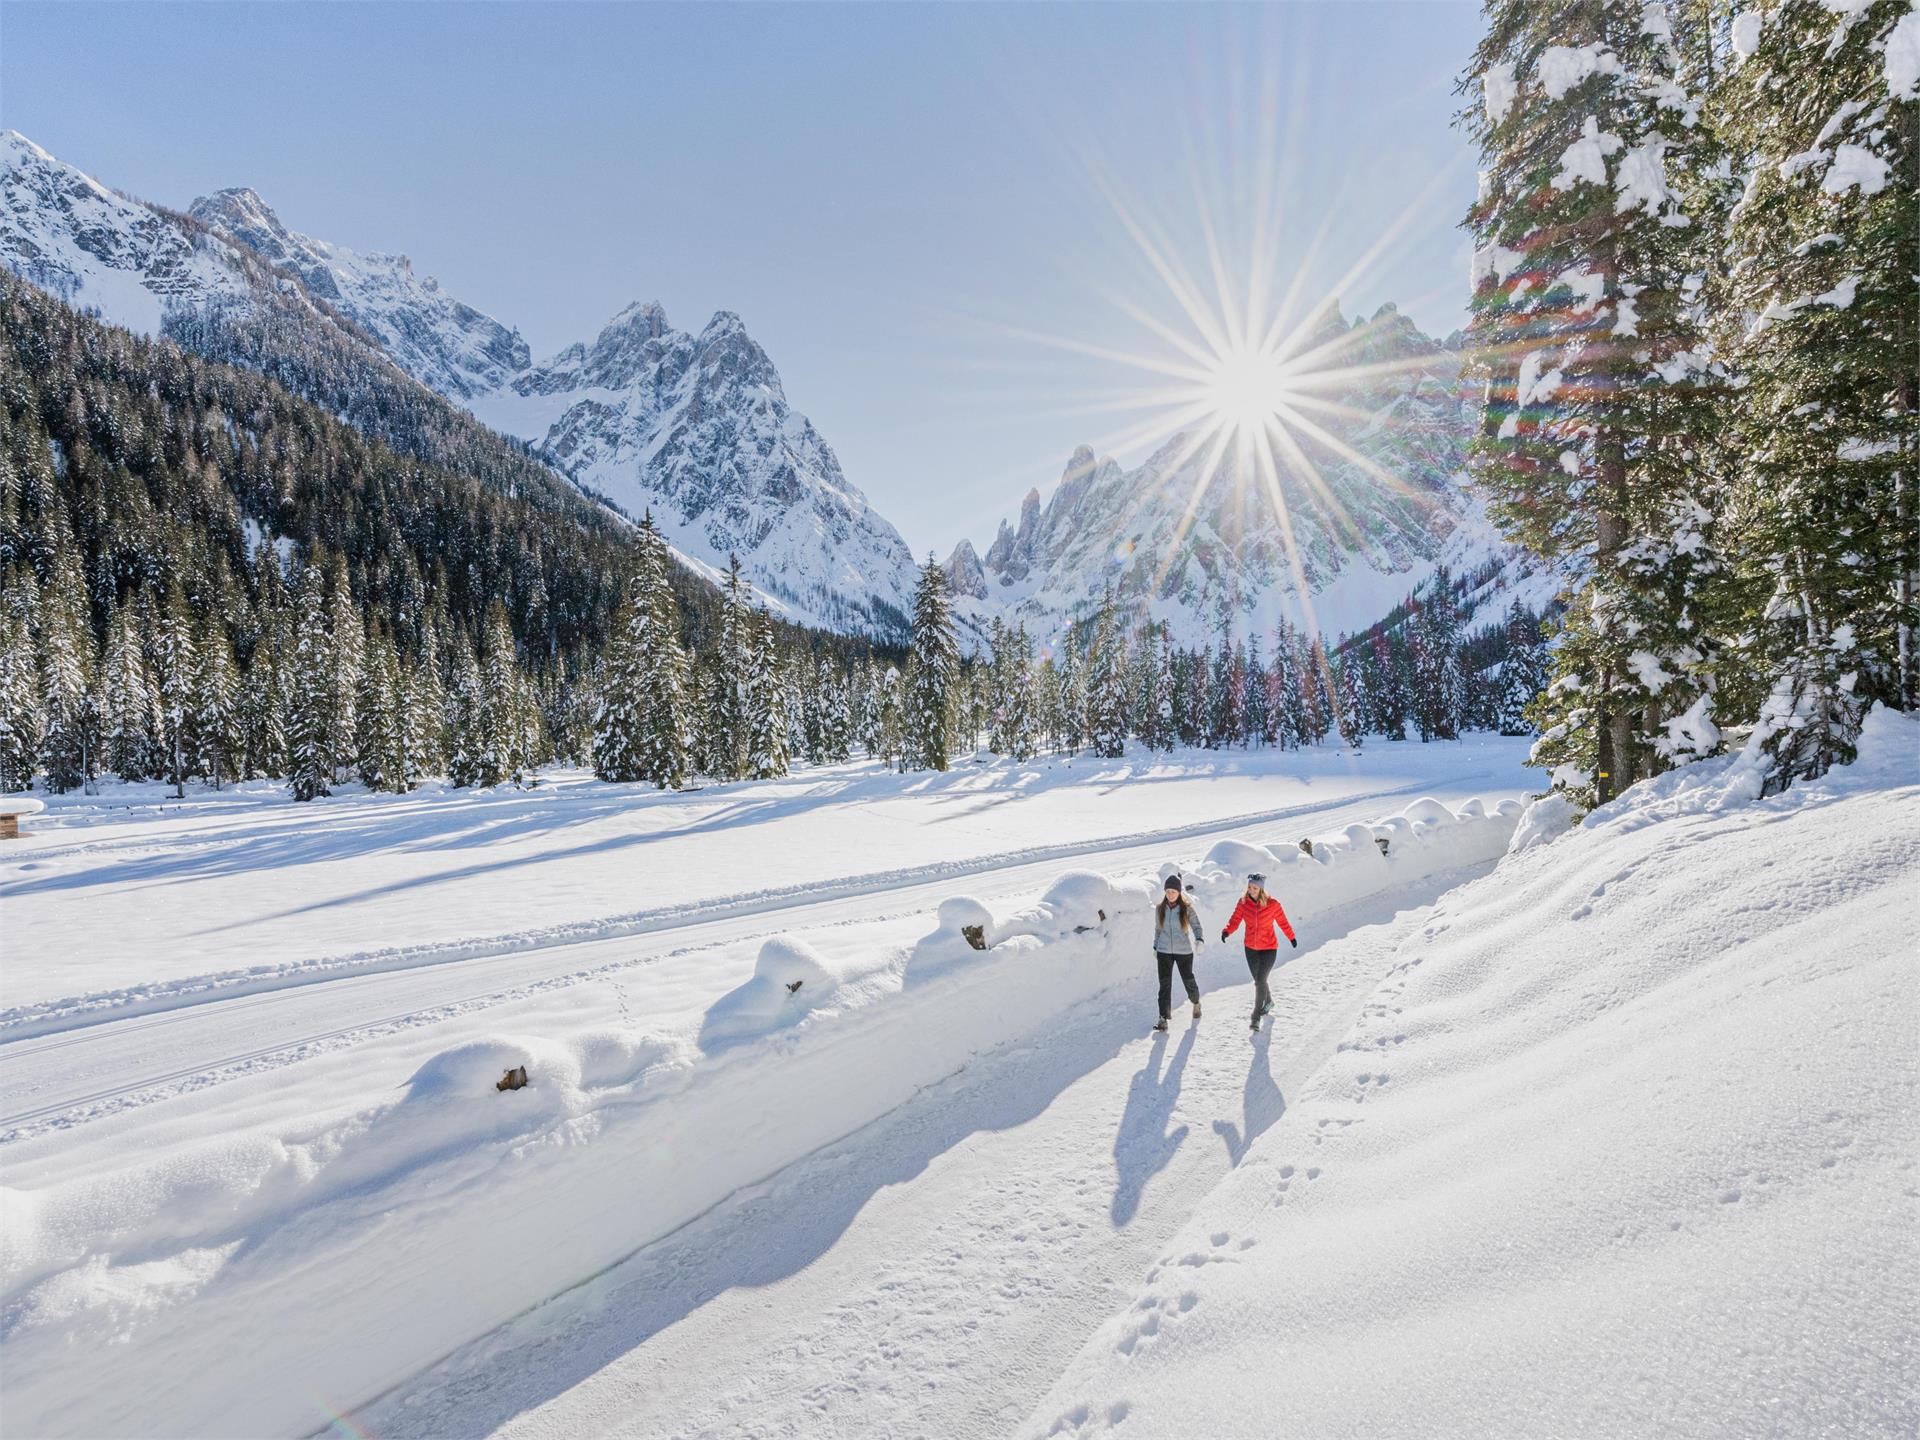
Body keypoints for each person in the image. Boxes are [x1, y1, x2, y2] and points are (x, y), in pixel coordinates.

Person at [1221, 872, 1297, 1032]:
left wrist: (1291, 937)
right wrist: (1227, 931)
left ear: (1261, 889)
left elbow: (1282, 921)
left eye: (1255, 888)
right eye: (1249, 887)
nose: (1251, 890)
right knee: (1259, 980)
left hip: (1269, 948)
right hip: (1250, 948)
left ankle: (1256, 1016)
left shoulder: (1273, 904)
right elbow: (1235, 919)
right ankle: (1268, 1001)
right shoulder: (1243, 903)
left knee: (1259, 981)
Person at [1151, 873, 1205, 1031]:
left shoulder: (1186, 909)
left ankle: (1196, 1002)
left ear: (1179, 892)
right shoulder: (1160, 909)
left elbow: (1196, 925)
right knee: (1164, 985)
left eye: (1173, 892)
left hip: (1183, 951)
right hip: (1164, 951)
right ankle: (1163, 1018)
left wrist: (1199, 939)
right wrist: (1156, 946)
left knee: (1188, 979)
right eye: (1167, 891)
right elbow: (1158, 929)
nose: (1170, 894)